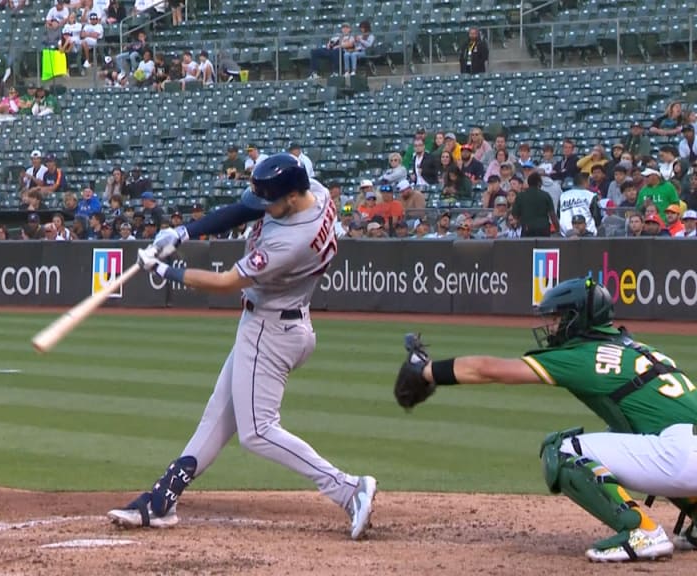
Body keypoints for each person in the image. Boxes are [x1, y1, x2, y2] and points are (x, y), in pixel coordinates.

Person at [108, 153, 377, 540]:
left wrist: (165, 270)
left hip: (271, 330)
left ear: (290, 196)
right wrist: (182, 234)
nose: (264, 208)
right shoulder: (312, 191)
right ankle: (162, 500)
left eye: (271, 202)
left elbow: (226, 282)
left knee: (257, 431)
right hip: (281, 323)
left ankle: (349, 488)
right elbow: (241, 210)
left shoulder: (292, 241)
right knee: (218, 416)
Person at [394, 277, 697, 563]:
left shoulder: (582, 354)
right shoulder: (636, 348)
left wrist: (427, 371)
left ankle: (641, 531)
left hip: (684, 455)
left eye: (557, 317)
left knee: (563, 450)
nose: (551, 325)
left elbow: (490, 369)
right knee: (627, 432)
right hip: (685, 448)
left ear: (577, 318)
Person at [511, 173, 558, 237]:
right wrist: (558, 229)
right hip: (543, 229)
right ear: (539, 183)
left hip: (527, 228)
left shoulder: (521, 196)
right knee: (543, 247)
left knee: (527, 247)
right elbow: (552, 215)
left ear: (528, 183)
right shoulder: (546, 195)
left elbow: (515, 215)